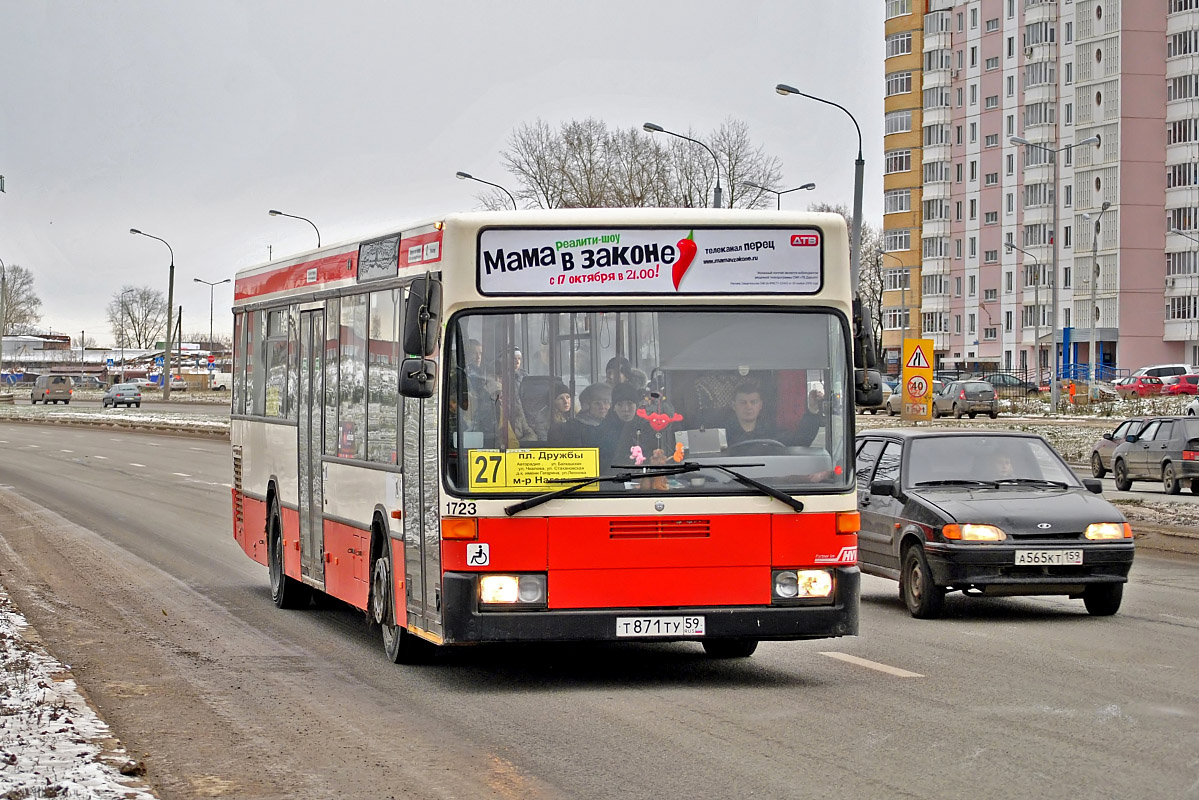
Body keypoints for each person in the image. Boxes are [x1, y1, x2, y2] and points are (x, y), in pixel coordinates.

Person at [550, 383, 611, 449]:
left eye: (606, 402)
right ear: (586, 406)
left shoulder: (611, 425)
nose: (602, 407)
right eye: (597, 403)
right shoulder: (573, 430)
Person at [716, 380, 777, 447]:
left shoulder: (772, 432)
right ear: (733, 406)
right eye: (743, 402)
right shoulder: (721, 434)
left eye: (753, 402)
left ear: (760, 405)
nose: (748, 407)